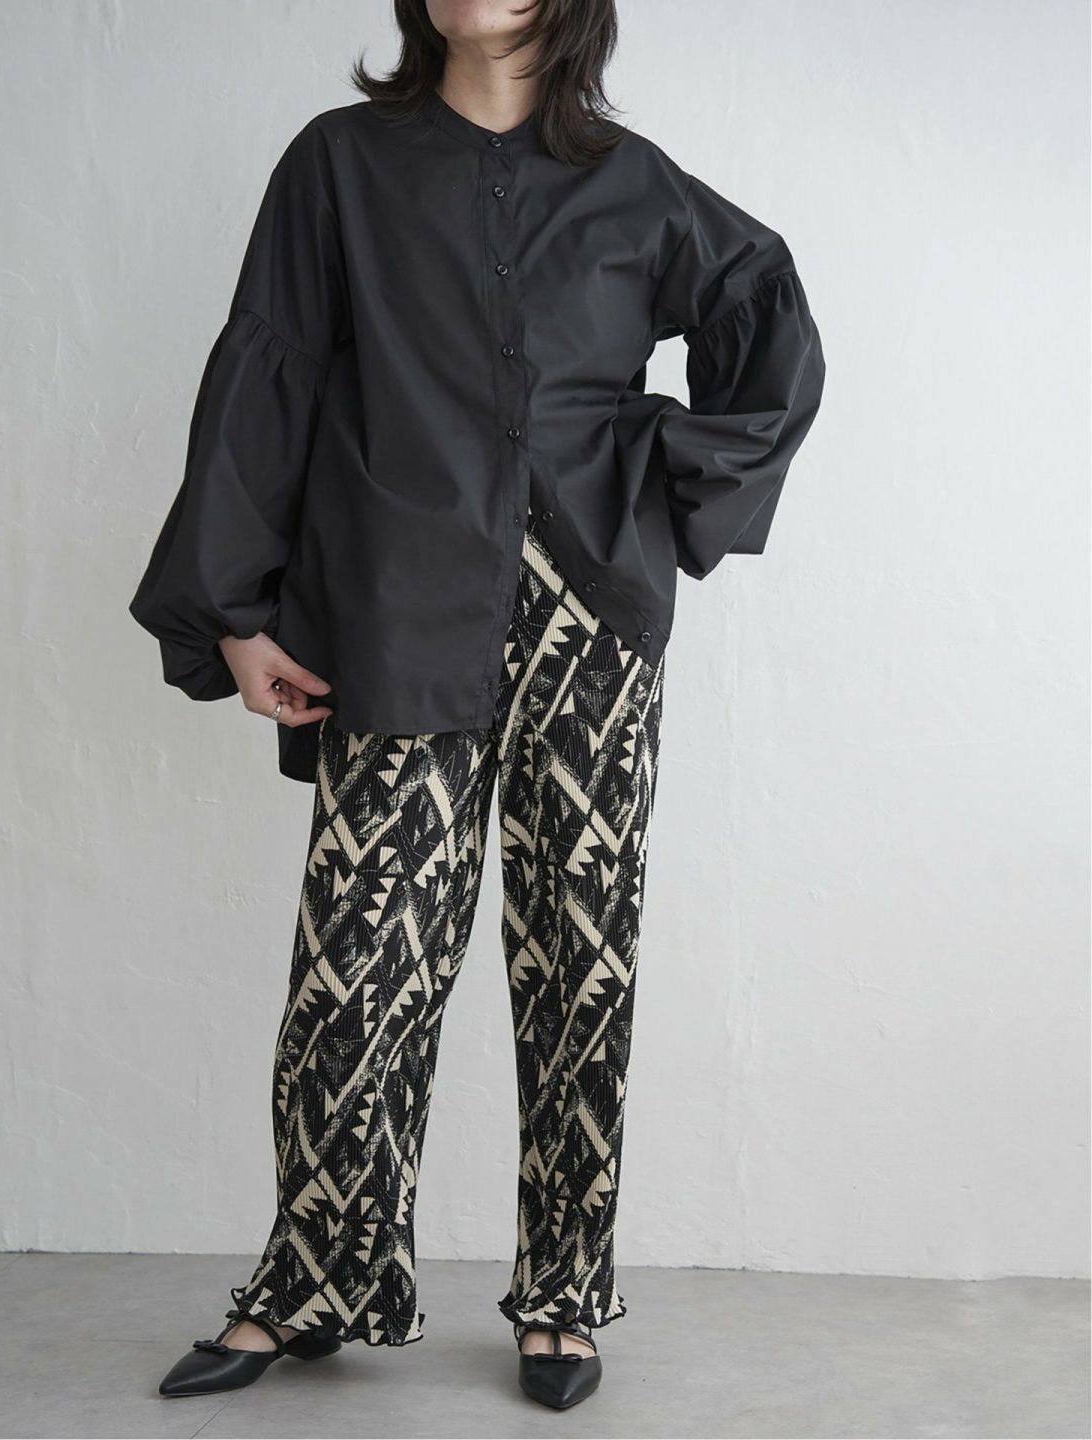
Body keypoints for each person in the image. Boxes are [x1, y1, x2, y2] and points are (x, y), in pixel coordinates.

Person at [129, 0, 825, 1412]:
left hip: (592, 618)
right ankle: (313, 1279)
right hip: (398, 615)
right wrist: (235, 611)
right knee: (358, 964)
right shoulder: (341, 165)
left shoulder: (633, 187)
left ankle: (564, 1292)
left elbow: (765, 309)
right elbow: (268, 372)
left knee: (581, 961)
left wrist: (668, 475)